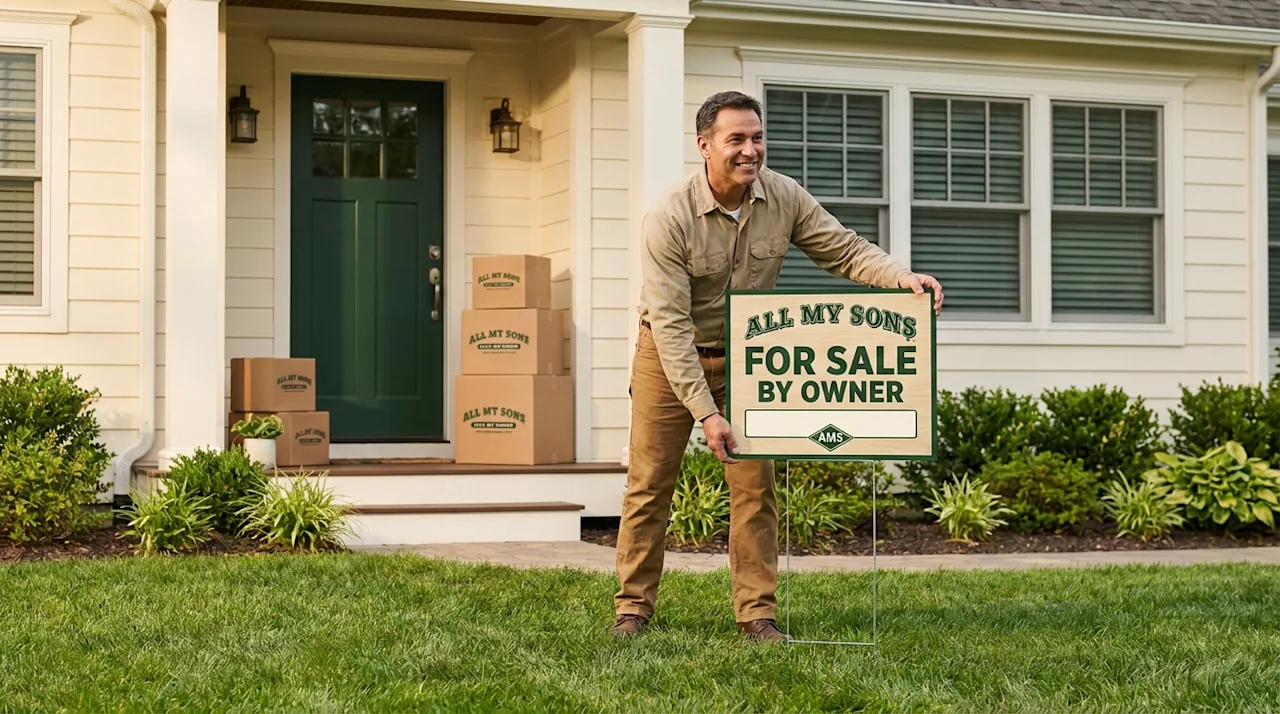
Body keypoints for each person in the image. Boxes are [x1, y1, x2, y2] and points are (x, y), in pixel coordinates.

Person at [611, 90, 944, 642]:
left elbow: (843, 248)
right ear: (705, 145)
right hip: (668, 357)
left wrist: (900, 277)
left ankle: (756, 616)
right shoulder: (668, 217)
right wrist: (705, 413)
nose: (750, 150)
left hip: (747, 357)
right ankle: (633, 609)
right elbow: (670, 327)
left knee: (754, 488)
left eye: (757, 137)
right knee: (649, 485)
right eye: (736, 139)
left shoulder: (784, 196)